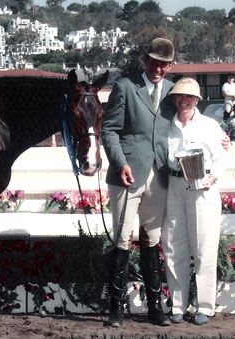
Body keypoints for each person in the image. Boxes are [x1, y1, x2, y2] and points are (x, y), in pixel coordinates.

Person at [101, 37, 177, 327]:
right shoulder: (125, 87)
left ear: (170, 66)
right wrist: (120, 163)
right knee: (121, 240)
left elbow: (188, 123)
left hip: (159, 176)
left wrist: (218, 135)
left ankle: (155, 308)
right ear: (145, 60)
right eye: (154, 62)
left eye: (163, 64)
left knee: (152, 241)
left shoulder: (172, 92)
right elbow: (109, 130)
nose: (158, 68)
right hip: (127, 175)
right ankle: (116, 310)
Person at [162, 77, 227, 326]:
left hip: (202, 188)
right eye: (180, 97)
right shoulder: (168, 126)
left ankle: (205, 306)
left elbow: (220, 158)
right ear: (174, 99)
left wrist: (212, 178)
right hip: (175, 186)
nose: (184, 101)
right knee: (174, 248)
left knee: (203, 248)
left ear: (197, 100)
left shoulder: (210, 126)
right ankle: (178, 305)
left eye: (189, 97)